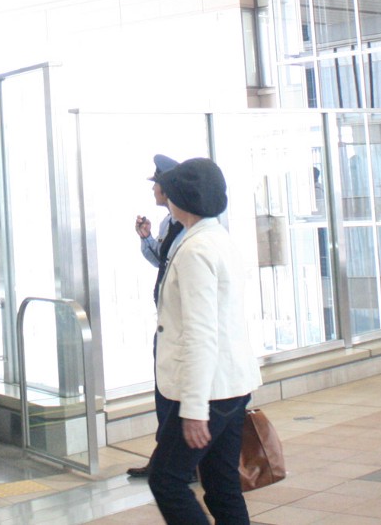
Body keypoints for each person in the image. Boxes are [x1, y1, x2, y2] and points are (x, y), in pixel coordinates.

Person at [148, 157, 260, 525]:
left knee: (166, 479)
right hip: (231, 384)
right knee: (222, 484)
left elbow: (200, 332)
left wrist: (194, 408)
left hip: (209, 392)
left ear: (183, 197)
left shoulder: (196, 250)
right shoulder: (216, 238)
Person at [128, 153, 183, 480]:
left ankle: (173, 461)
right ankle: (165, 456)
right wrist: (146, 237)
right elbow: (160, 261)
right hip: (165, 323)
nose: (153, 190)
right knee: (164, 391)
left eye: (156, 184)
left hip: (178, 326)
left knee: (173, 393)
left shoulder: (191, 228)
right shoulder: (169, 224)